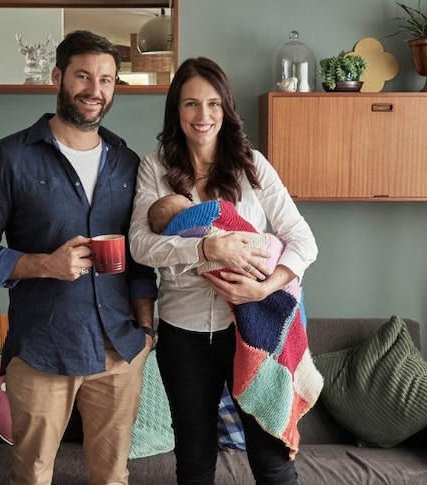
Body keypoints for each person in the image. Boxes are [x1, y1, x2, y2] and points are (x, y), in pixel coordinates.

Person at [0, 30, 157, 485]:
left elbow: (141, 258)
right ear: (58, 77)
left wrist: (146, 330)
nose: (95, 90)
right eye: (84, 76)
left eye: (106, 80)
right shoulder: (9, 157)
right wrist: (43, 264)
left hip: (120, 347)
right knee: (33, 476)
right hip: (43, 347)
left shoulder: (128, 163)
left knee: (112, 477)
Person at [129, 57, 319, 485]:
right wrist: (206, 247)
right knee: (194, 463)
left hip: (251, 332)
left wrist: (264, 287)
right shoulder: (154, 167)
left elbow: (303, 240)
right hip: (184, 337)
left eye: (213, 104)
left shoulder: (252, 165)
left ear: (226, 109)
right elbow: (140, 245)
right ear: (176, 110)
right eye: (192, 104)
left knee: (271, 461)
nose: (203, 116)